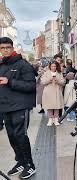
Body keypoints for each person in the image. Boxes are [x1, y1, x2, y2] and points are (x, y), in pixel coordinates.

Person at [0, 37, 37, 179]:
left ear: (12, 48)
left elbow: (31, 85)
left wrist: (10, 82)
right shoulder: (1, 65)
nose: (5, 50)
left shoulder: (23, 64)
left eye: (7, 47)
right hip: (6, 107)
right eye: (2, 48)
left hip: (20, 106)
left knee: (20, 136)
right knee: (11, 137)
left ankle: (30, 165)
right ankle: (21, 161)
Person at [41, 61, 65, 126]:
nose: (53, 67)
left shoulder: (59, 73)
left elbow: (63, 82)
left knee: (57, 106)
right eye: (52, 66)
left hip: (57, 90)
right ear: (50, 66)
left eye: (55, 66)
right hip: (48, 91)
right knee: (50, 106)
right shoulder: (46, 73)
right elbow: (42, 82)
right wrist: (49, 80)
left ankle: (56, 119)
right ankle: (50, 119)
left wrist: (58, 81)